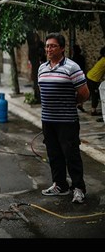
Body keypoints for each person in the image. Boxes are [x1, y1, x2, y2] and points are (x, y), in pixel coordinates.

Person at [38, 33, 90, 204]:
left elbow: (84, 93)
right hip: (48, 120)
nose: (49, 49)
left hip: (67, 121)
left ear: (62, 48)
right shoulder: (42, 68)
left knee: (71, 154)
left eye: (52, 46)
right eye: (47, 46)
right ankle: (60, 185)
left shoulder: (72, 67)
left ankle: (79, 188)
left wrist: (71, 103)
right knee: (54, 154)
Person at [86, 46, 105, 117]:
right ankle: (93, 111)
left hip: (89, 76)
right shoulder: (104, 60)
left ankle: (79, 104)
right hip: (93, 79)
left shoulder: (101, 59)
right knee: (95, 95)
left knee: (89, 93)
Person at [71, 44, 87, 112]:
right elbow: (83, 66)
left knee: (74, 91)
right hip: (80, 74)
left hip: (73, 75)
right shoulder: (81, 57)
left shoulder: (73, 58)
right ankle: (80, 104)